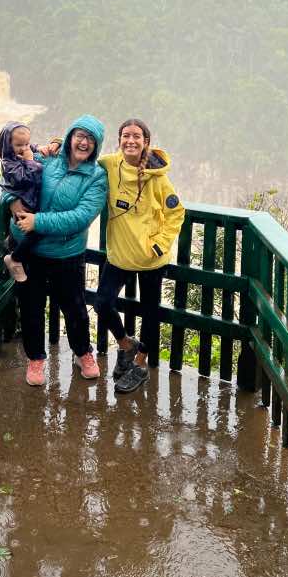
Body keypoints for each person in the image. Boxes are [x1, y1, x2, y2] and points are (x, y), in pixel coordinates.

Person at [7, 114, 108, 387]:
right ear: (70, 137)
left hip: (67, 254)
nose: (83, 142)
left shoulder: (97, 177)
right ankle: (36, 358)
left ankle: (82, 352)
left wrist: (37, 221)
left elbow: (80, 217)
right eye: (79, 136)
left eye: (90, 139)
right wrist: (12, 202)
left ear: (96, 145)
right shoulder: (47, 160)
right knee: (32, 307)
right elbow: (13, 175)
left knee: (74, 308)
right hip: (32, 252)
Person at [96, 118, 185, 393]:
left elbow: (176, 212)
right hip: (120, 255)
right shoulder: (110, 164)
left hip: (150, 259)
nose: (130, 141)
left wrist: (159, 245)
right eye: (125, 136)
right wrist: (53, 146)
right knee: (102, 302)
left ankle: (141, 364)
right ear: (119, 140)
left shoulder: (158, 178)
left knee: (150, 312)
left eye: (136, 136)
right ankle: (125, 344)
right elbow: (79, 154)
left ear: (146, 141)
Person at [0, 121, 61, 282]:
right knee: (37, 230)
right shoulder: (8, 163)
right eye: (19, 145)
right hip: (24, 205)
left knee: (35, 228)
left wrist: (40, 148)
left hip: (30, 201)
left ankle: (11, 241)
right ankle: (15, 258)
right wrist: (30, 161)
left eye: (26, 143)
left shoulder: (23, 150)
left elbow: (31, 147)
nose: (24, 148)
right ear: (7, 144)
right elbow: (25, 179)